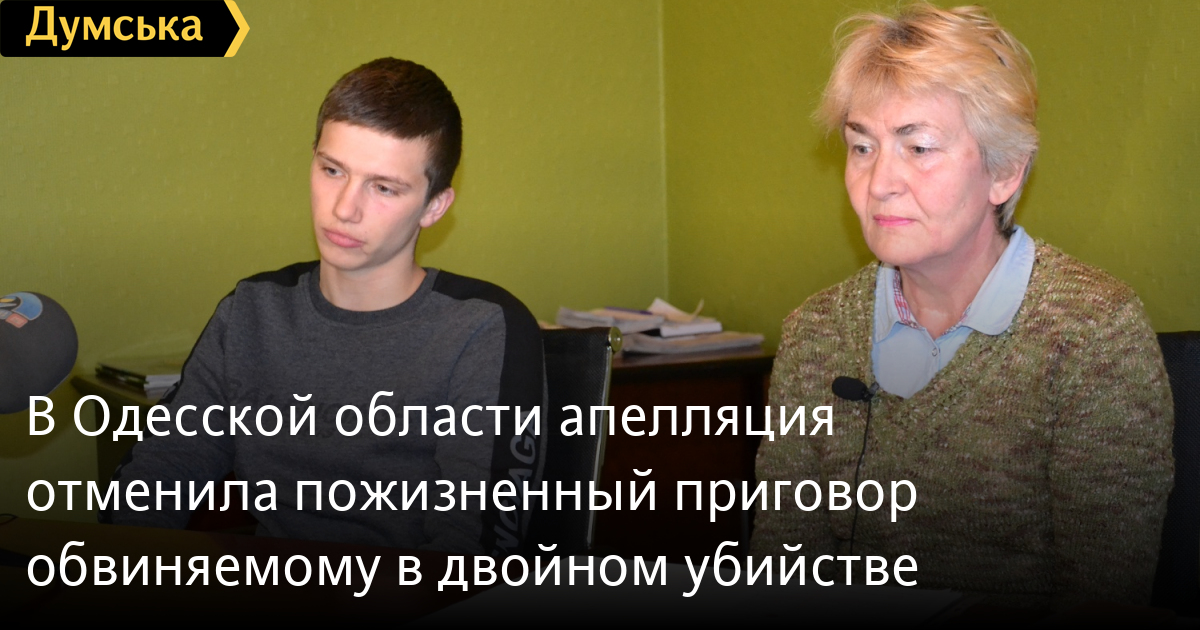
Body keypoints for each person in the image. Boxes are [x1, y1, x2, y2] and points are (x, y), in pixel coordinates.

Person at [751, 4, 1173, 610]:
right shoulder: (814, 332)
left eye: (919, 147)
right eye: (862, 147)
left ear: (1004, 172)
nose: (879, 182)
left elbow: (1104, 604)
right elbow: (782, 575)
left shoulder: (1093, 334)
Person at [101, 58, 546, 557]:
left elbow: (473, 555)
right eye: (333, 170)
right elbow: (155, 481)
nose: (343, 209)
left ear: (434, 207)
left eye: (383, 187)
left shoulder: (482, 328)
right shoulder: (252, 311)